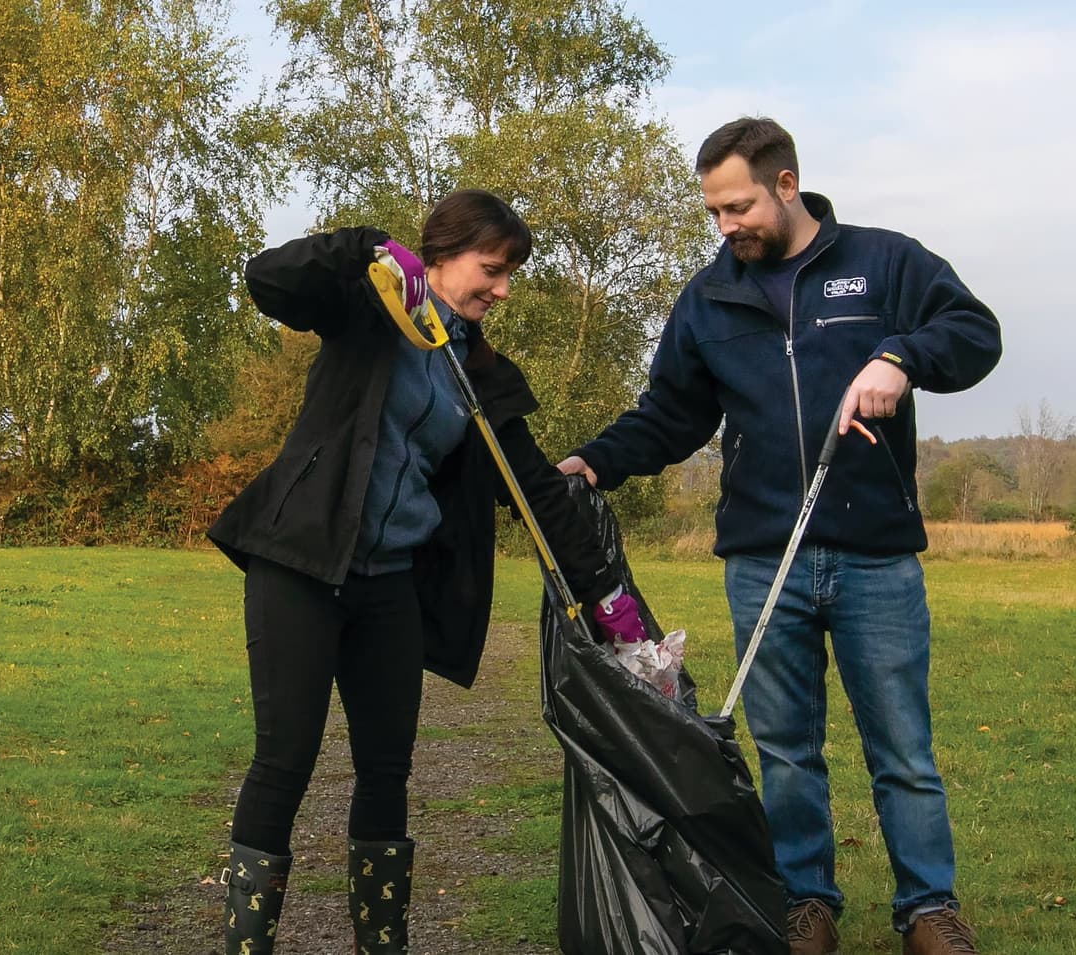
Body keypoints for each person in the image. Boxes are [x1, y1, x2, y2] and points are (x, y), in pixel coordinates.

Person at [557, 118, 1001, 955]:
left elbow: (976, 334)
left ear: (786, 185)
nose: (726, 225)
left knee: (902, 747)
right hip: (764, 558)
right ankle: (806, 905)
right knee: (786, 750)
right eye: (714, 212)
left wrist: (900, 358)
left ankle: (929, 910)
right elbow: (669, 414)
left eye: (738, 207)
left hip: (876, 555)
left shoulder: (884, 263)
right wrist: (595, 461)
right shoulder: (708, 298)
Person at [206, 189, 646, 955]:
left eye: (509, 275)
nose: (502, 290)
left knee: (387, 770)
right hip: (299, 564)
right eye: (492, 270)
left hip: (389, 585)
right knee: (285, 760)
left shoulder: (479, 371)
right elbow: (268, 278)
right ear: (440, 255)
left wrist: (605, 590)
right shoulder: (366, 309)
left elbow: (536, 488)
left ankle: (383, 946)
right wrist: (366, 247)